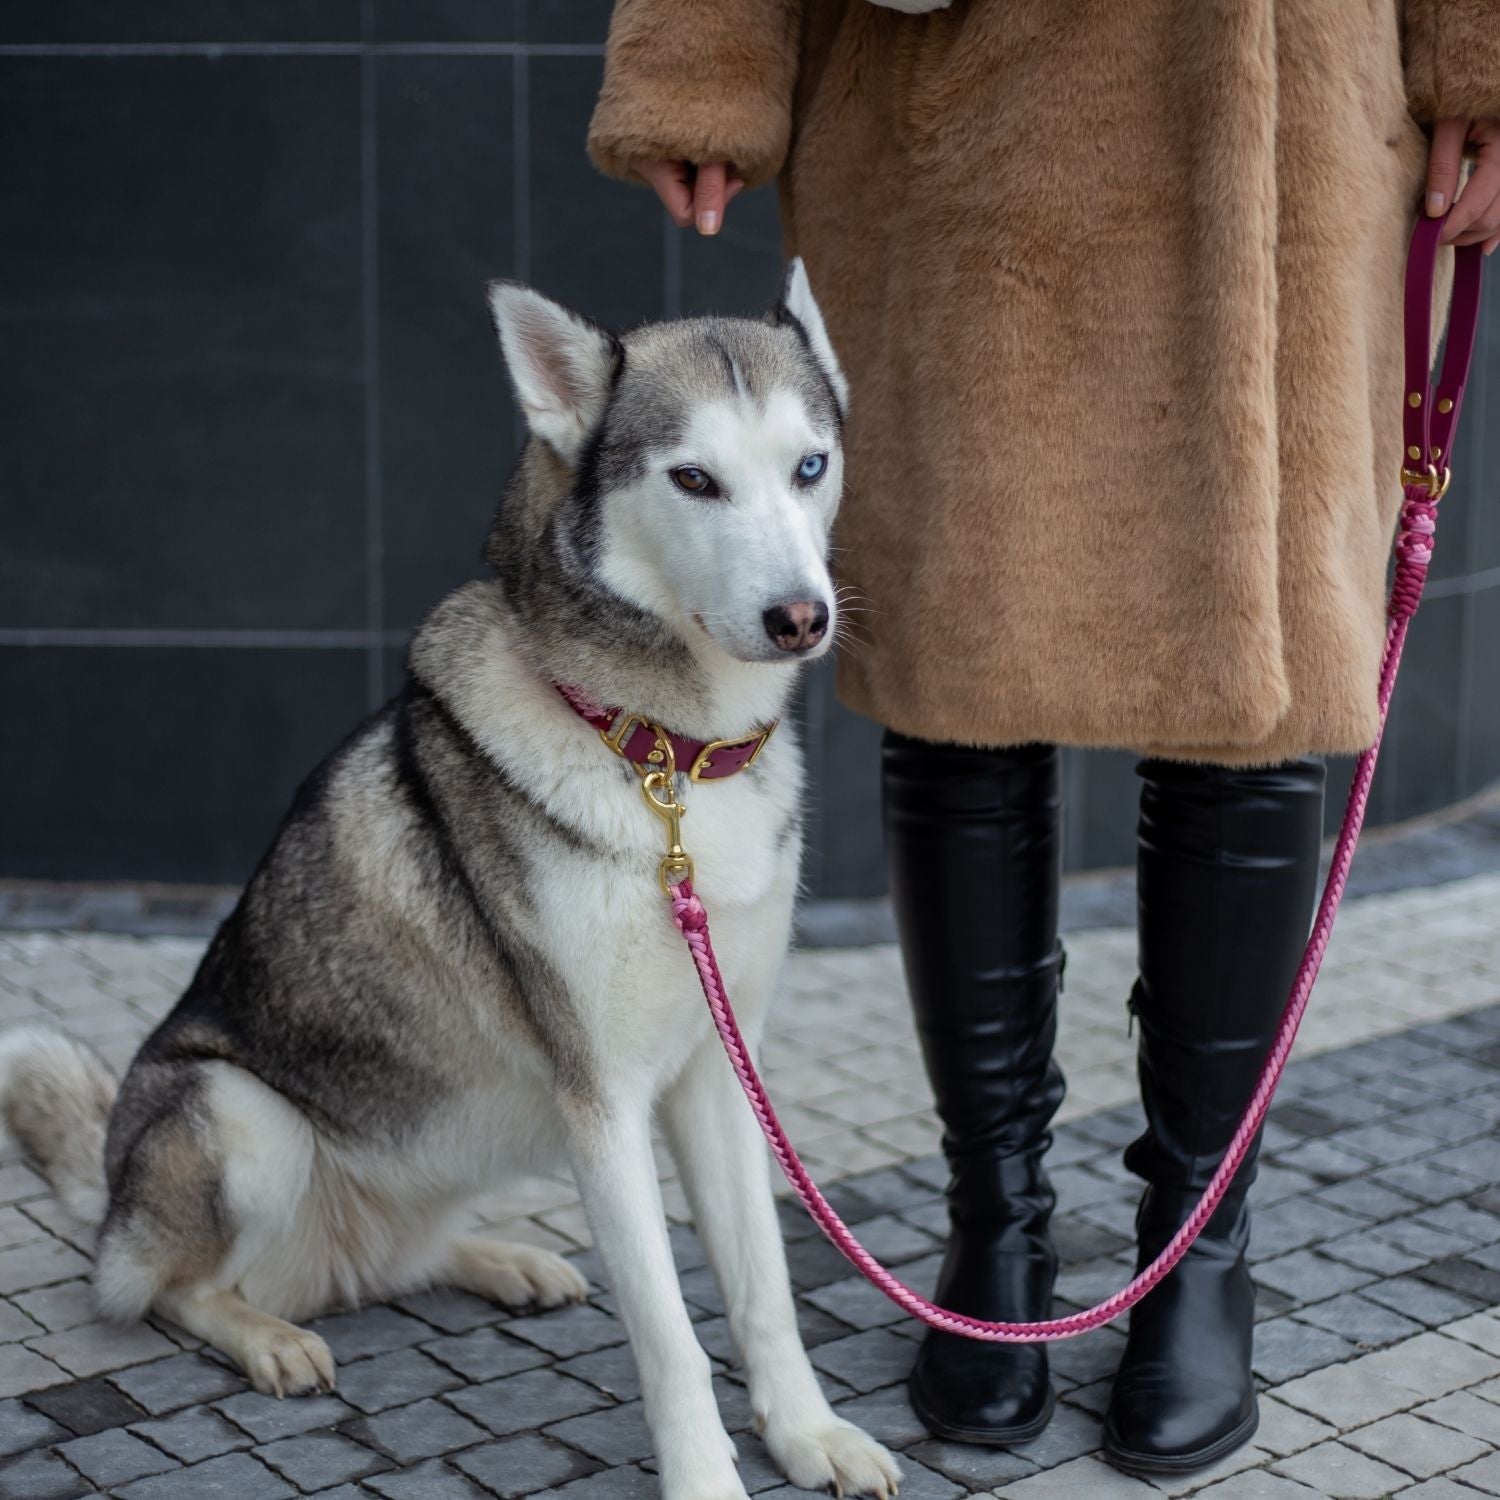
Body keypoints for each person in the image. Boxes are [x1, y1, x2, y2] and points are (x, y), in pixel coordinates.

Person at [586, 1, 1500, 1476]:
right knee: (961, 671)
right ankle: (992, 1223)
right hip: (962, 94)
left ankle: (1201, 1245)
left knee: (1248, 687)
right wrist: (707, 52)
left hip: (1284, 98)